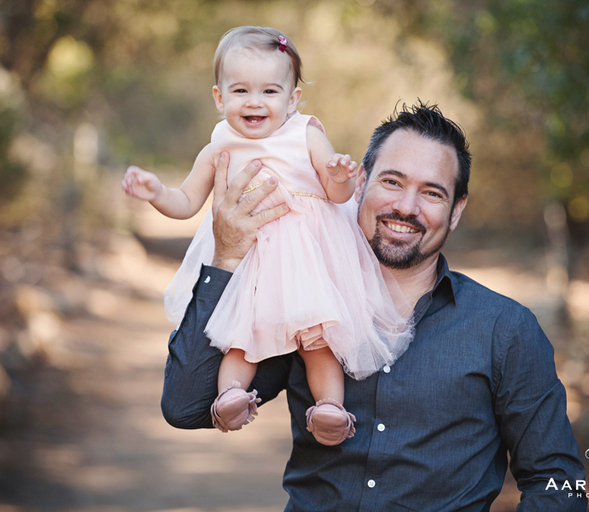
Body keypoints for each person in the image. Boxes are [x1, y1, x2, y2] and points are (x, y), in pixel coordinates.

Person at [161, 100, 588, 511]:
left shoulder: (504, 329)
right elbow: (186, 407)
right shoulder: (304, 300)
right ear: (359, 182)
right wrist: (228, 258)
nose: (406, 206)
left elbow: (555, 480)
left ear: (456, 211)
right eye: (392, 182)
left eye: (432, 193)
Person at [122, 26, 412, 446]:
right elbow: (186, 201)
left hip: (308, 262)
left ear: (292, 98)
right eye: (240, 91)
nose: (254, 102)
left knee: (318, 342)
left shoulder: (305, 133)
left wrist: (339, 177)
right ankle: (231, 397)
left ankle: (329, 408)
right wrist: (156, 194)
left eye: (270, 92)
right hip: (252, 264)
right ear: (219, 98)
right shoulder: (220, 143)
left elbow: (336, 195)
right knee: (241, 338)